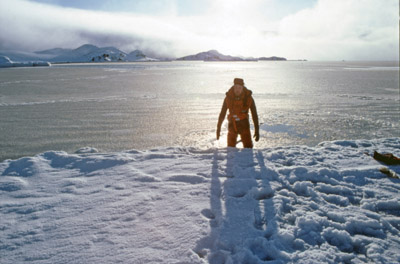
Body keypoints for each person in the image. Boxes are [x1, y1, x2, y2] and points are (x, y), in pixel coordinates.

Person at [217, 78, 260, 148]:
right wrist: (218, 129)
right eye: (236, 87)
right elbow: (222, 114)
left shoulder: (249, 98)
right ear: (233, 87)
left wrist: (257, 130)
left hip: (244, 124)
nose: (237, 90)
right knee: (230, 149)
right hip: (232, 124)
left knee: (248, 149)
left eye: (239, 88)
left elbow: (254, 115)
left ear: (242, 88)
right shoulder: (228, 98)